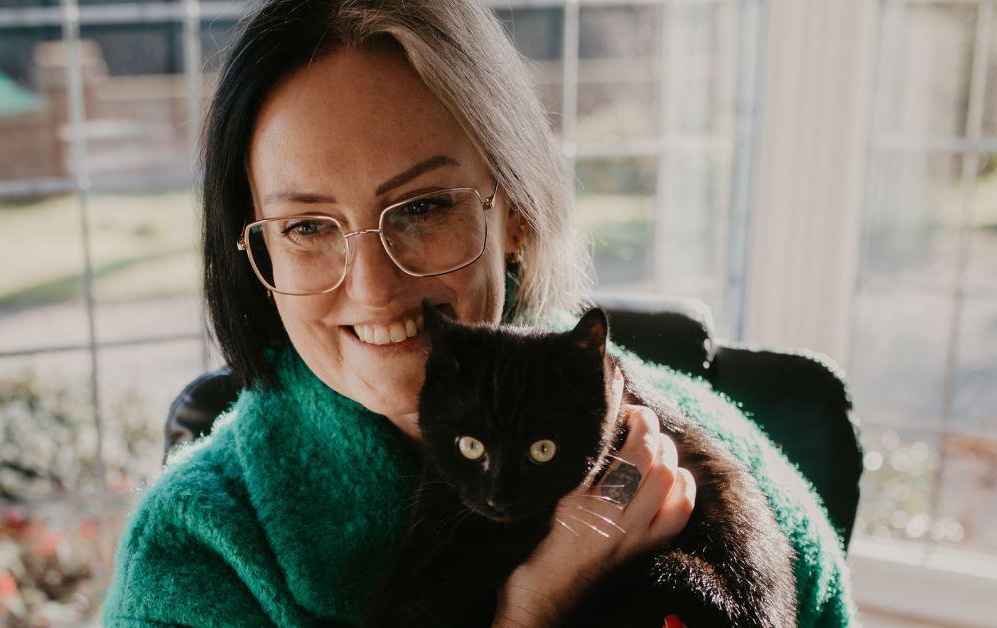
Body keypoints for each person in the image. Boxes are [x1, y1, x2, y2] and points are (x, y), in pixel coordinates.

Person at [101, 1, 854, 627]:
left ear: (518, 213)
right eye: (307, 227)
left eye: (423, 207)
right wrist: (533, 606)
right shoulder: (196, 549)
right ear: (255, 253)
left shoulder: (729, 461)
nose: (372, 287)